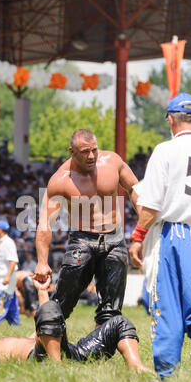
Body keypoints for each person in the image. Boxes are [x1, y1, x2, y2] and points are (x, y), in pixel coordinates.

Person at [129, 92, 191, 379]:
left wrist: (138, 235)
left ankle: (166, 375)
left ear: (170, 120)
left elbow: (152, 204)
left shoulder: (165, 151)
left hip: (172, 238)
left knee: (166, 307)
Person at [34, 129, 139, 358]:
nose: (91, 156)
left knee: (111, 310)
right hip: (82, 240)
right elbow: (45, 224)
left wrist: (143, 227)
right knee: (62, 304)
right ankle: (43, 351)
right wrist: (42, 262)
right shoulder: (61, 180)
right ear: (72, 152)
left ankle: (95, 356)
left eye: (94, 150)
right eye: (85, 152)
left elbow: (134, 189)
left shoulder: (112, 161)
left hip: (114, 239)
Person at [0, 279, 154, 375]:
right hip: (44, 359)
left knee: (118, 322)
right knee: (50, 311)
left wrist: (42, 290)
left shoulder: (18, 343)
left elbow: (46, 323)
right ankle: (57, 370)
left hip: (70, 353)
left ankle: (136, 366)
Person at [0, 219, 20, 326]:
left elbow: (13, 261)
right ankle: (14, 324)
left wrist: (7, 276)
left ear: (0, 230)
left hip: (5, 278)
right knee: (10, 303)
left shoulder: (8, 243)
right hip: (1, 277)